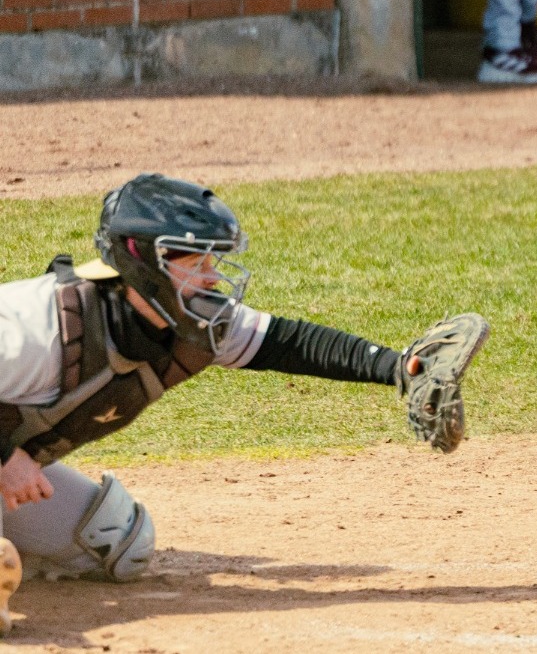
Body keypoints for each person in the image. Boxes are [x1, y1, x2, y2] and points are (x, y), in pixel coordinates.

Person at [0, 175, 489, 633]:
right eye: (195, 262)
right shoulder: (41, 325)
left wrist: (399, 368)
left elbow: (288, 343)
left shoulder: (191, 324)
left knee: (117, 540)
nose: (213, 277)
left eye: (213, 261)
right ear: (142, 260)